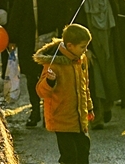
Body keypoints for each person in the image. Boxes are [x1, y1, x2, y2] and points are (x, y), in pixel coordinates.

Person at [10, 0, 70, 128]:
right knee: (32, 76)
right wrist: (13, 37)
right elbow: (17, 12)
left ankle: (48, 112)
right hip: (29, 37)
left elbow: (64, 13)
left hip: (52, 39)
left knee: (52, 76)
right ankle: (35, 110)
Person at [36, 23, 93, 164]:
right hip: (61, 117)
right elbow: (41, 91)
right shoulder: (54, 64)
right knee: (69, 156)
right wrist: (50, 82)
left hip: (79, 115)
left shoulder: (81, 59)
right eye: (82, 47)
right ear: (70, 45)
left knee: (84, 149)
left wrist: (89, 107)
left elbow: (84, 86)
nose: (85, 50)